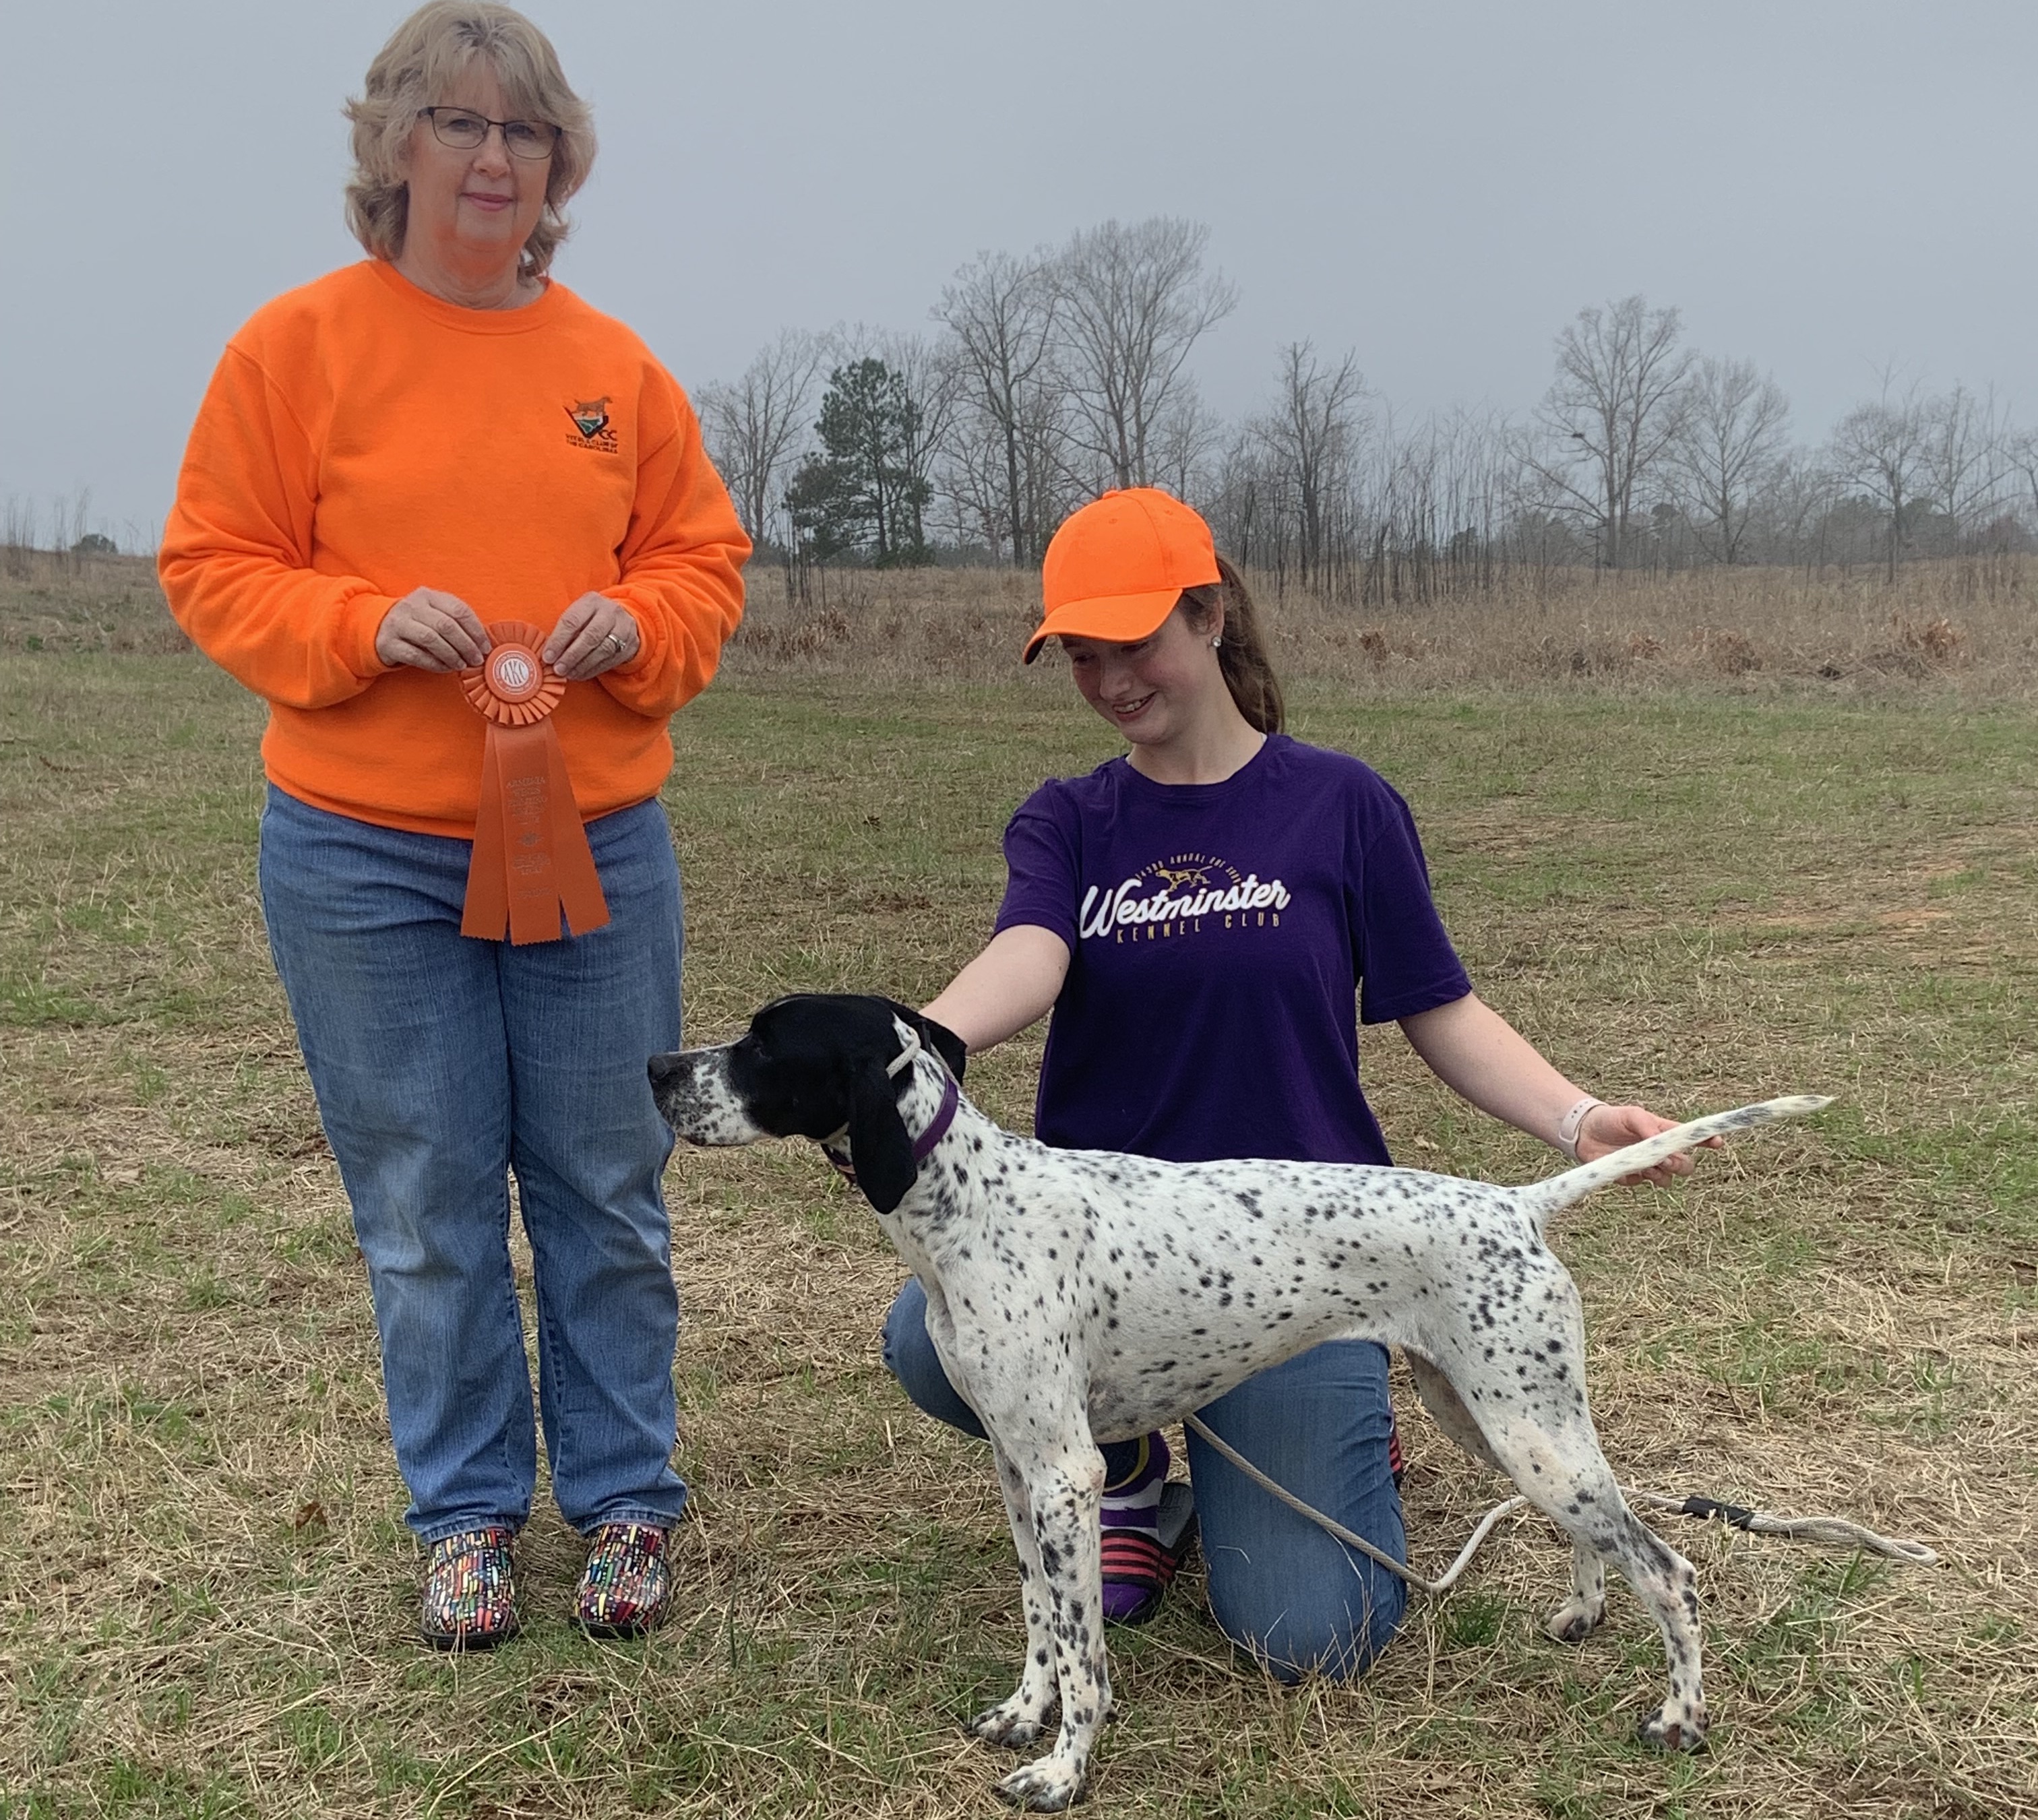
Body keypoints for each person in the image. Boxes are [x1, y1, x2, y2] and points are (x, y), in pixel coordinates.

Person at [884, 487, 1704, 1680]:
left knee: (1312, 1633)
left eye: (1134, 642)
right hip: (1103, 1264)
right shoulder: (1069, 819)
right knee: (928, 1334)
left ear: (1210, 615)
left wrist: (1578, 1117)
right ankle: (1125, 1472)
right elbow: (1032, 951)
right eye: (1081, 655)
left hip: (1305, 1267)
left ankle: (1342, 1411)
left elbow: (1440, 1006)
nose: (1110, 679)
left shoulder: (1343, 805)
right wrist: (916, 1045)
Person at [158, 2, 749, 1648]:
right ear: (393, 147)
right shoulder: (293, 350)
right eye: (460, 124)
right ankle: (468, 1513)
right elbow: (213, 563)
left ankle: (626, 1498)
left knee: (607, 1183)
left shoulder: (616, 371)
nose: (496, 157)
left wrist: (645, 623)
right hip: (361, 857)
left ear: (560, 164)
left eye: (526, 130)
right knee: (425, 1201)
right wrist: (355, 622)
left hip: (594, 845)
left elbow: (701, 562)